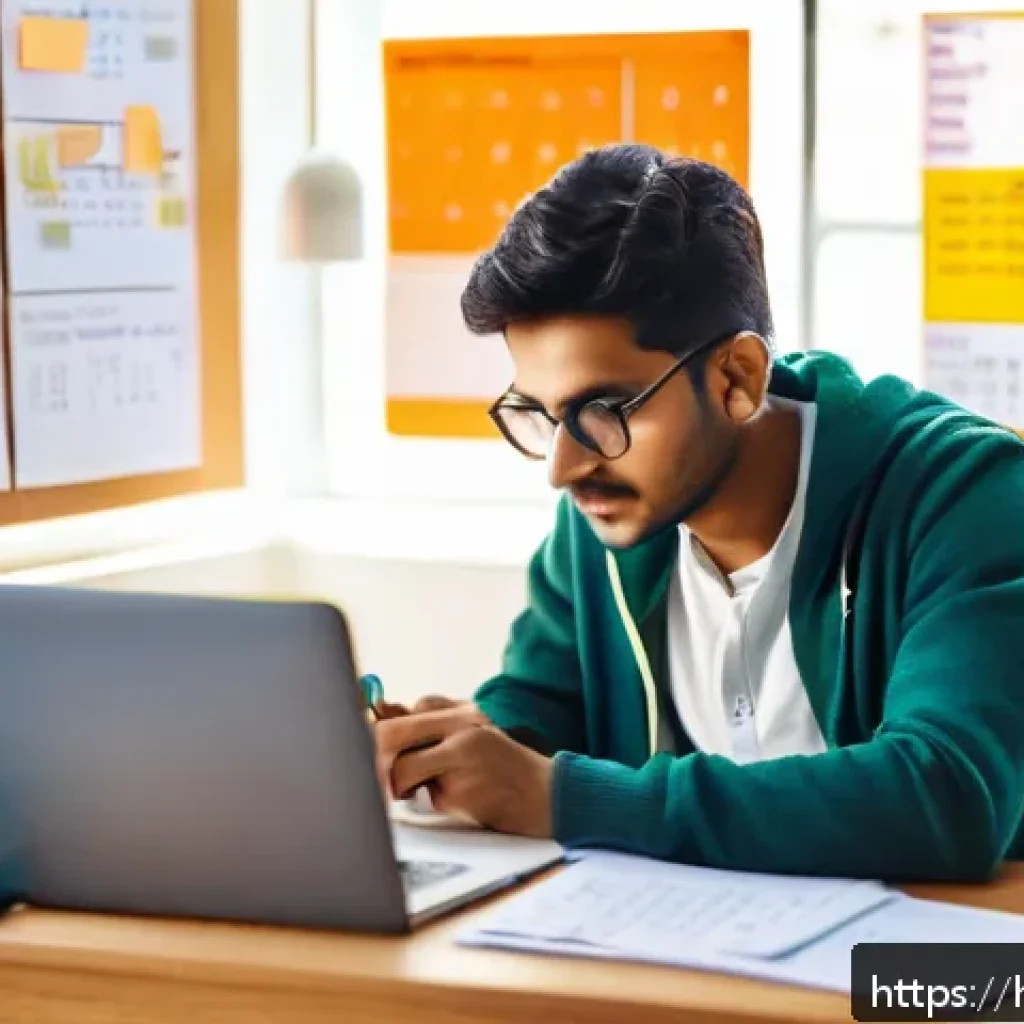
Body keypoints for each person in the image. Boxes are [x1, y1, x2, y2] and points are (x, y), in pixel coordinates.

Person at [374, 142, 1024, 882]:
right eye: (542, 414)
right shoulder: (607, 511)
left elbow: (947, 796)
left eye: (605, 408)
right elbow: (546, 705)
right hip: (699, 969)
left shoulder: (966, 496)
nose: (564, 465)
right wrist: (463, 746)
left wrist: (566, 799)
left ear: (738, 379)